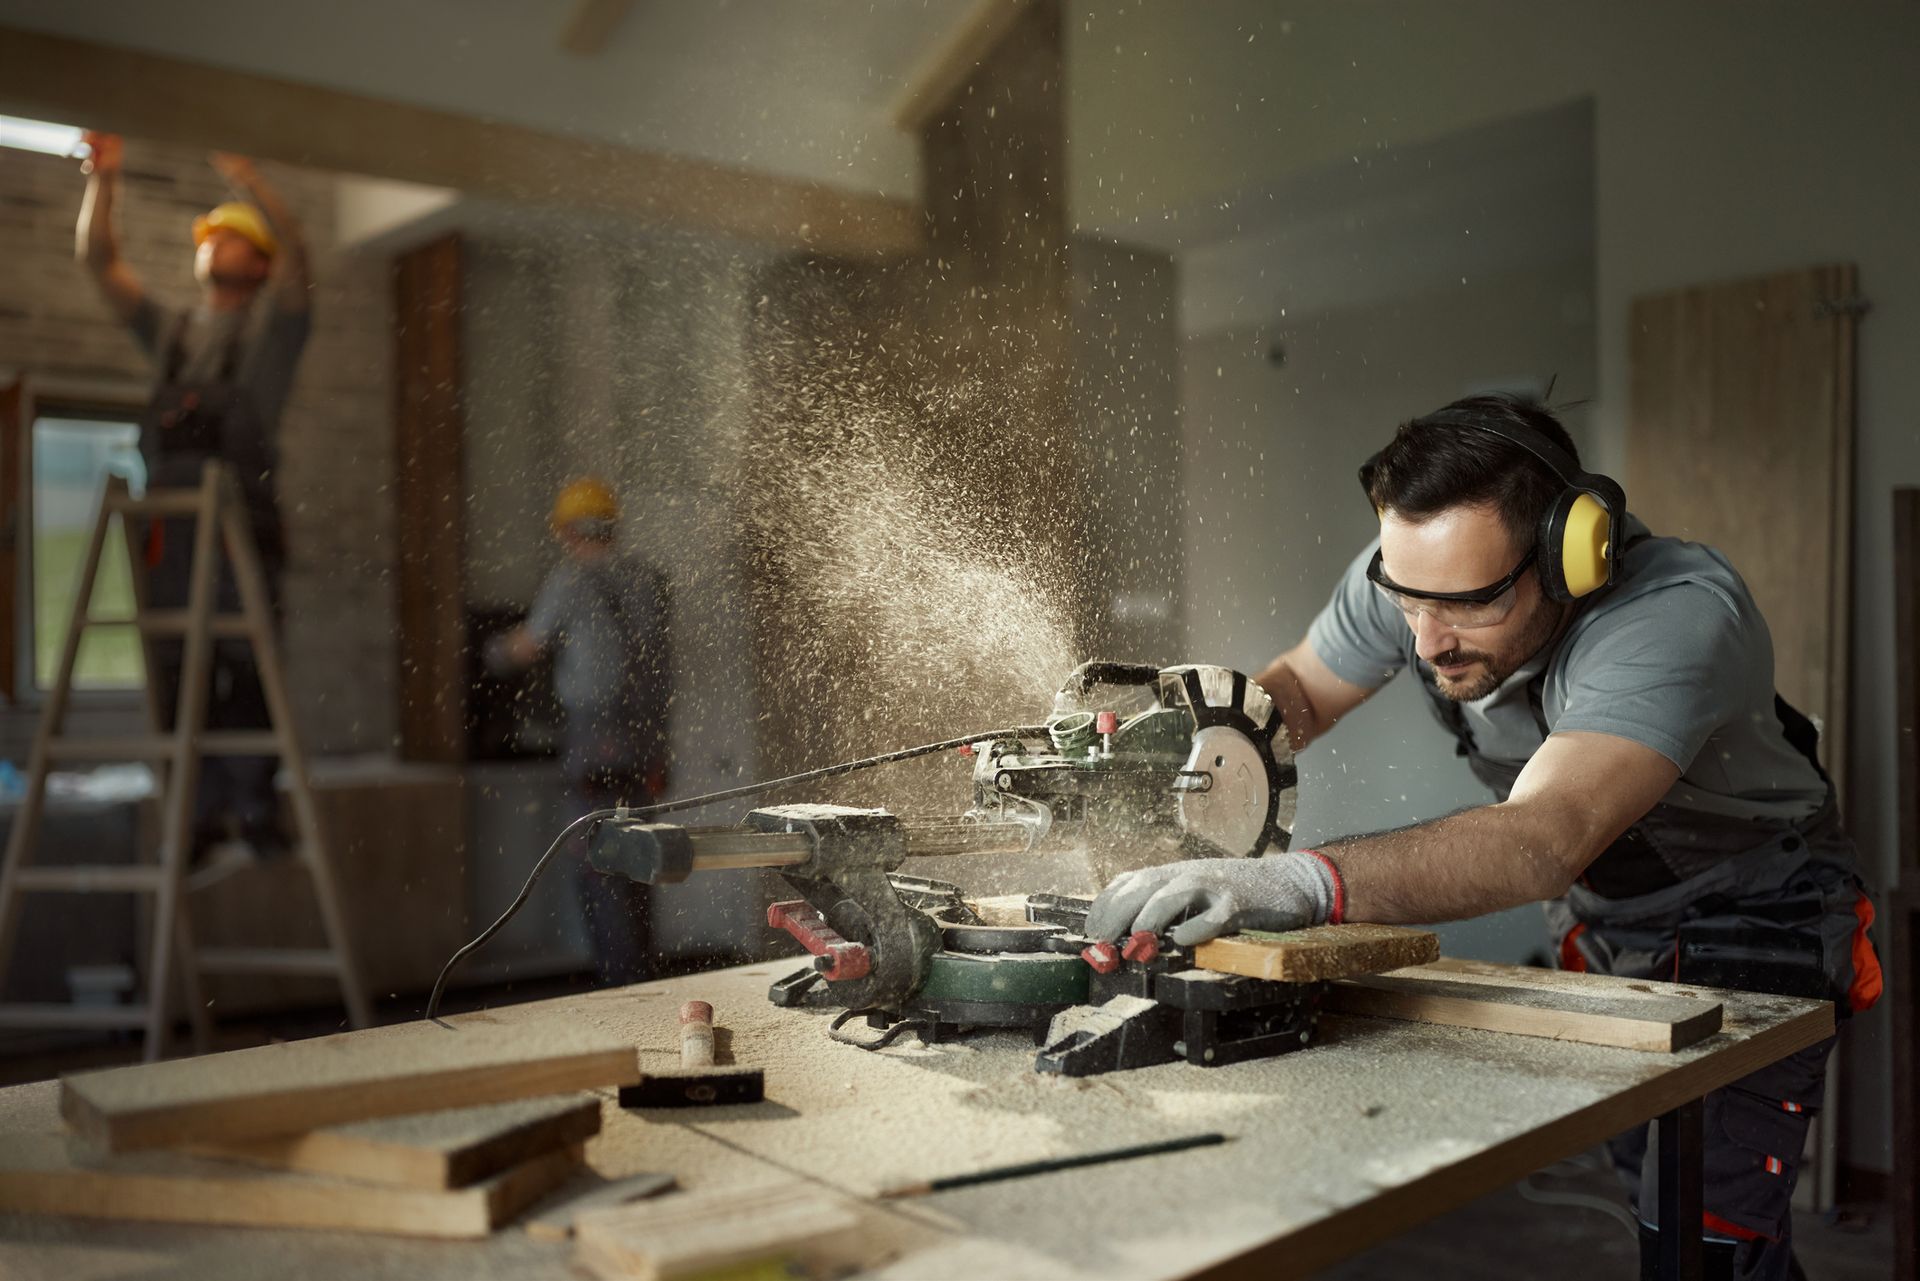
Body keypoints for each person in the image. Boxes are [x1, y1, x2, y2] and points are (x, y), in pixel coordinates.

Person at [1087, 394, 1881, 1281]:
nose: (1427, 639)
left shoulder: (1674, 618)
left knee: (1704, 1249)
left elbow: (1542, 838)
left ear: (1568, 554)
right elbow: (1297, 695)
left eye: (1465, 605)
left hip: (1753, 907)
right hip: (1606, 910)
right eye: (1406, 597)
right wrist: (1188, 757)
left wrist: (1299, 883)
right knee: (1654, 1200)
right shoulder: (1414, 574)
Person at [76, 132, 312, 864]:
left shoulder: (273, 333)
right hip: (172, 535)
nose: (212, 244)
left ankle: (252, 804)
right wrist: (104, 179)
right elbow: (97, 261)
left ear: (257, 262)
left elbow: (301, 259)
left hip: (239, 528)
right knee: (180, 676)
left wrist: (251, 178)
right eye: (208, 238)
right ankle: (201, 815)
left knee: (245, 671)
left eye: (230, 237)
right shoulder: (172, 334)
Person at [488, 478, 672, 985]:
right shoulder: (649, 580)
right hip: (647, 736)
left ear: (569, 531)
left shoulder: (570, 580)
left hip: (594, 735)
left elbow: (527, 646)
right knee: (641, 857)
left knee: (596, 859)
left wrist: (491, 651)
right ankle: (644, 978)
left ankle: (619, 983)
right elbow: (658, 666)